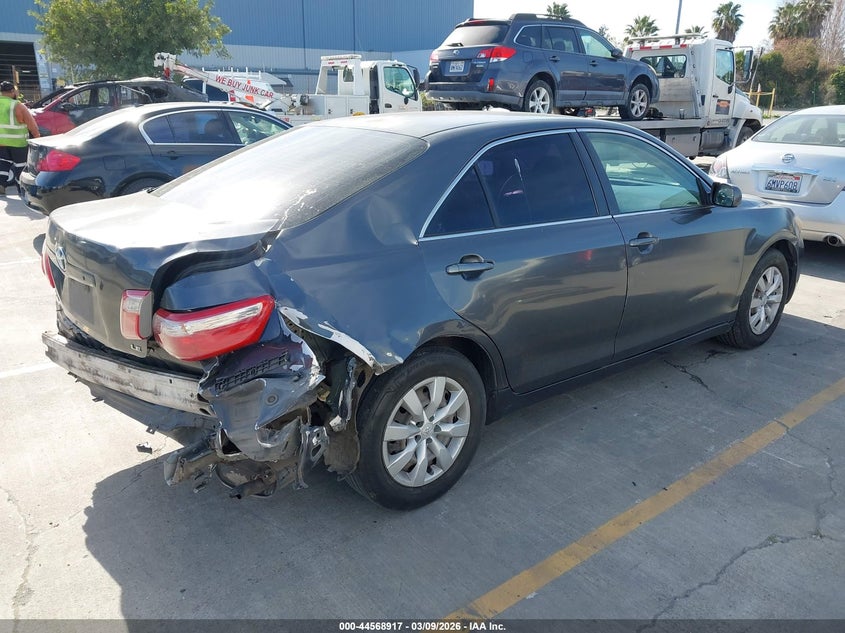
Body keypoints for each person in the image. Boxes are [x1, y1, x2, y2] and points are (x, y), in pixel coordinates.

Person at [0, 80, 40, 196]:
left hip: (1, 143)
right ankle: (21, 189)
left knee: (3, 164)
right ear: (12, 91)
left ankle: (1, 185)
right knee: (20, 166)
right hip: (18, 143)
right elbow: (30, 123)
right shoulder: (17, 105)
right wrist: (37, 136)